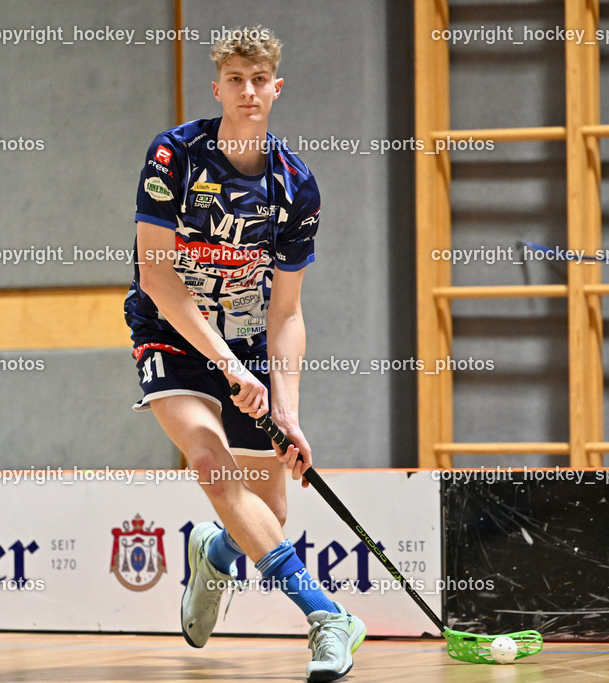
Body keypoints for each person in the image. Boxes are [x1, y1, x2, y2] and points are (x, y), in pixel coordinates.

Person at [125, 27, 365, 682]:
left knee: (270, 511)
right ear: (219, 87)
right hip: (170, 331)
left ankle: (215, 555)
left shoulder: (296, 188)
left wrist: (287, 408)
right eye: (236, 79)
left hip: (251, 337)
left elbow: (287, 311)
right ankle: (325, 615)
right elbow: (159, 277)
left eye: (260, 80)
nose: (249, 91)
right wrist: (227, 368)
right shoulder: (175, 156)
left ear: (276, 87)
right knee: (209, 462)